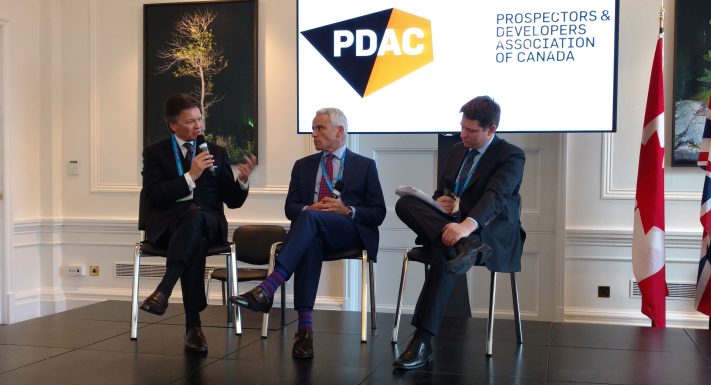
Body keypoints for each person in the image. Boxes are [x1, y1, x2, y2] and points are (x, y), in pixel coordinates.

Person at [230, 108, 386, 359]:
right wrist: (308, 209)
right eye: (313, 128)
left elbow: (378, 213)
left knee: (309, 223)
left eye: (319, 128)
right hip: (312, 231)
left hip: (347, 231)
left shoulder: (365, 166)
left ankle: (268, 287)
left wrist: (347, 210)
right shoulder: (303, 166)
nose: (313, 134)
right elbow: (291, 208)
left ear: (339, 131)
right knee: (309, 235)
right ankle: (304, 333)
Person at [393, 96, 526, 370]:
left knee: (445, 251)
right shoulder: (457, 151)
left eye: (471, 130)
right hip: (452, 225)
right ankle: (462, 246)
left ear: (491, 129)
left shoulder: (510, 155)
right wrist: (438, 201)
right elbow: (446, 191)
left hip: (490, 233)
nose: (463, 134)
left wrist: (466, 226)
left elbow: (496, 197)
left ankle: (422, 341)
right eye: (461, 127)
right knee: (405, 204)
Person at [139, 93, 257, 353]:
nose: (198, 126)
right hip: (169, 227)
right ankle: (193, 326)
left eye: (200, 119)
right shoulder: (156, 153)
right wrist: (191, 175)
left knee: (196, 219)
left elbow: (233, 201)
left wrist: (243, 180)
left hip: (211, 223)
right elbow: (155, 195)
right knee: (193, 232)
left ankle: (164, 291)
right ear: (173, 125)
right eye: (190, 121)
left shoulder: (216, 152)